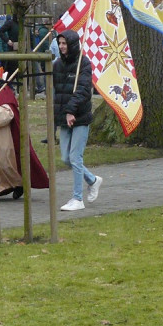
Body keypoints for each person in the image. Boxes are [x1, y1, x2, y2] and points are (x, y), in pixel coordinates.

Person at [53, 29, 101, 211]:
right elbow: (56, 93)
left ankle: (77, 198)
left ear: (72, 44)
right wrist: (59, 117)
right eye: (60, 43)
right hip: (64, 118)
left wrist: (71, 111)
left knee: (75, 157)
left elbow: (82, 90)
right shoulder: (57, 65)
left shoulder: (84, 63)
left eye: (64, 43)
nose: (61, 46)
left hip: (80, 118)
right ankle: (93, 180)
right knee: (66, 158)